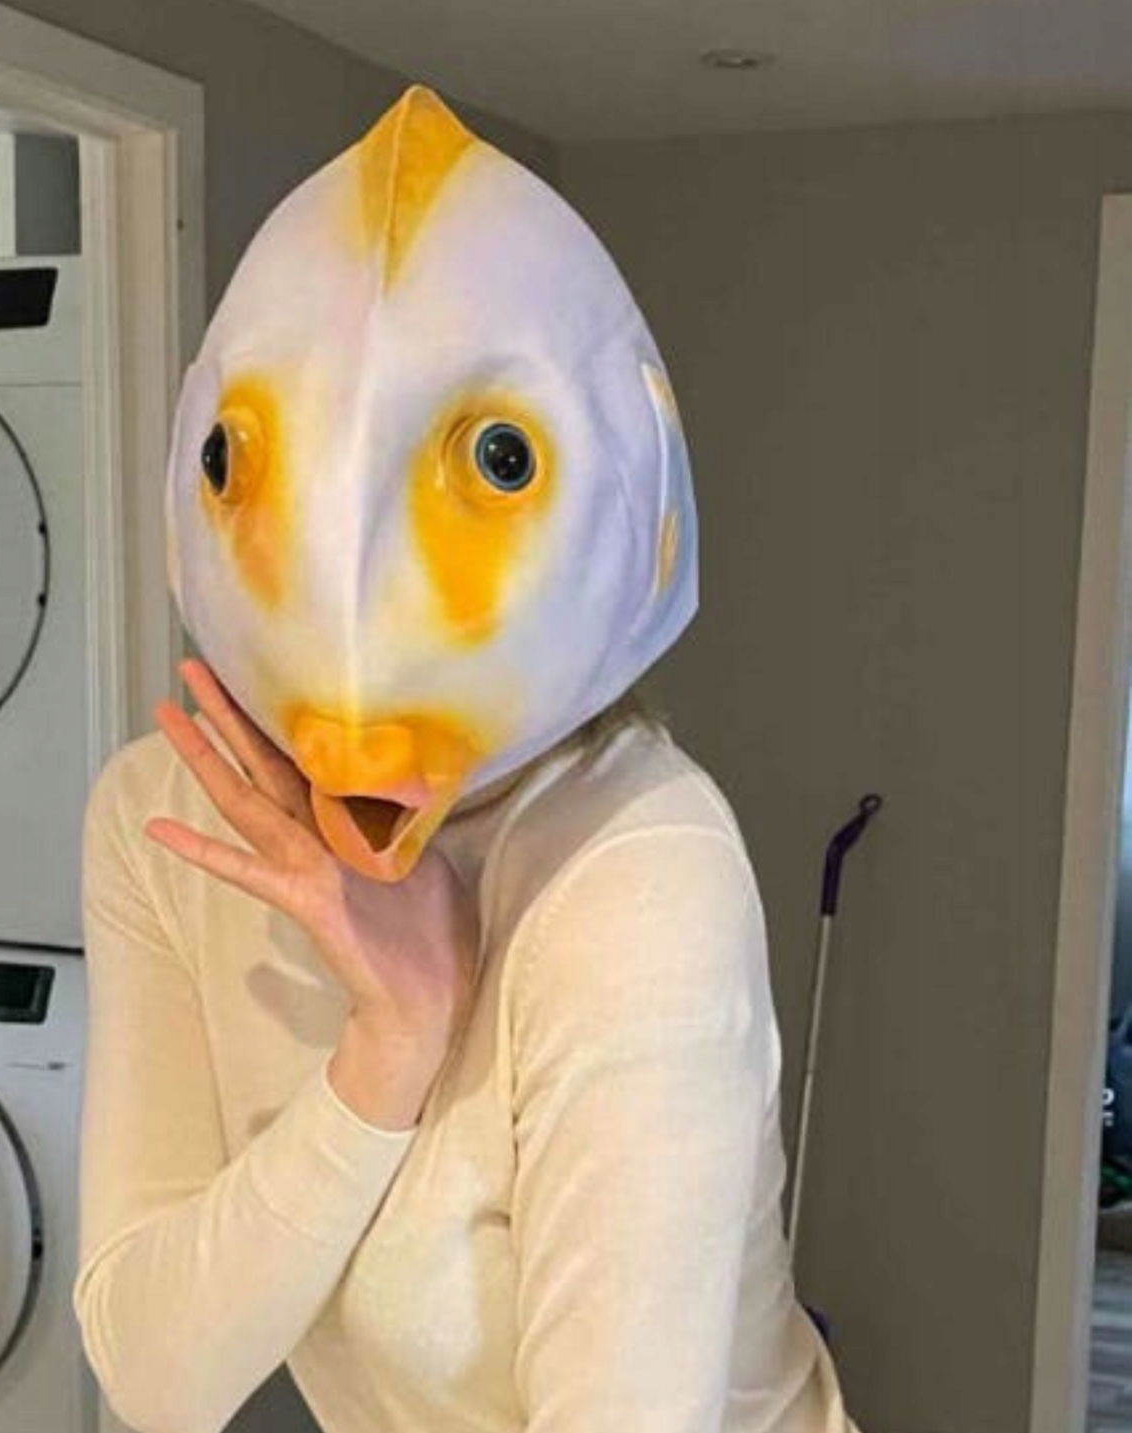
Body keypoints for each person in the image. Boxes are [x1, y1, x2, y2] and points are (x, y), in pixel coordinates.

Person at [72, 83, 863, 1433]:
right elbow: (154, 1374)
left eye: (501, 461)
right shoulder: (163, 817)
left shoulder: (635, 867)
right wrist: (388, 1049)